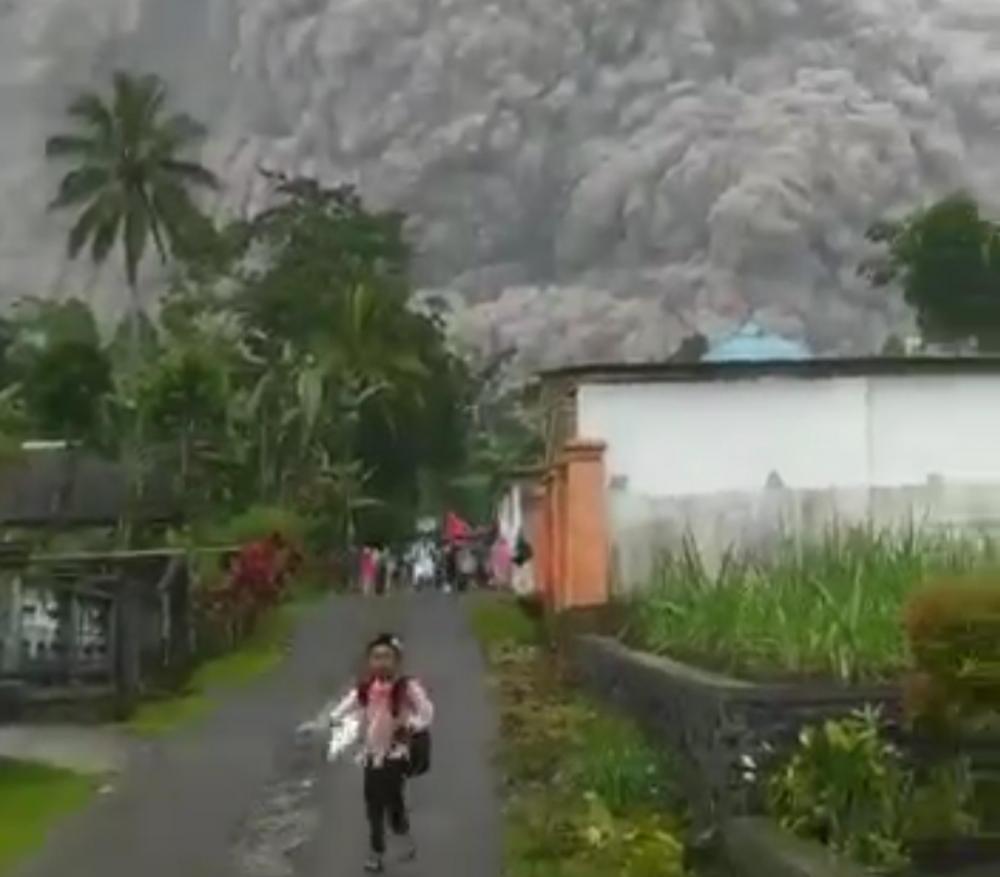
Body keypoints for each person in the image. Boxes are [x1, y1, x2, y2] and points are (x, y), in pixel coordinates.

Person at [328, 633, 435, 873]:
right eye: (376, 657)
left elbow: (426, 712)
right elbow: (347, 704)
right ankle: (376, 851)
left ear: (397, 661)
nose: (381, 662)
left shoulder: (406, 687)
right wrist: (334, 719)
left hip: (396, 754)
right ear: (369, 662)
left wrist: (412, 725)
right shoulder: (366, 688)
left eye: (387, 657)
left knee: (391, 802)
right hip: (372, 755)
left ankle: (401, 834)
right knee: (373, 805)